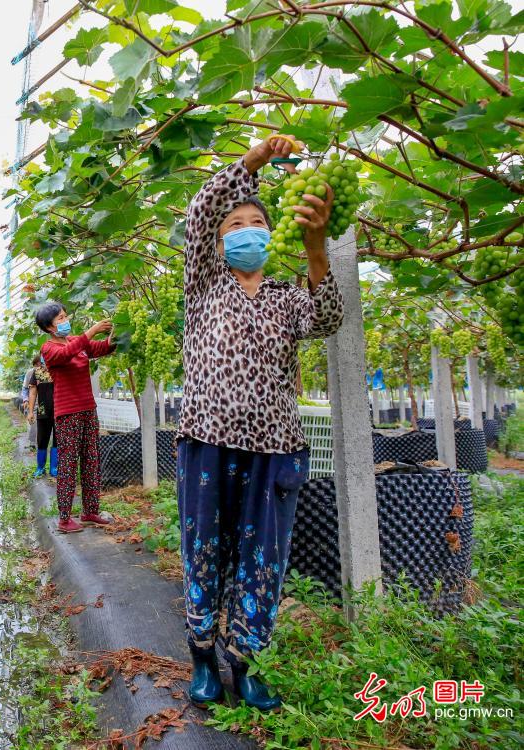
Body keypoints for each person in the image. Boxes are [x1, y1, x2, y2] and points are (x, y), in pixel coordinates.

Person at [176, 136, 344, 711]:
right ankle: (202, 658)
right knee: (204, 551)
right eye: (235, 225)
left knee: (263, 562)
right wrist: (250, 164)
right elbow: (200, 211)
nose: (246, 230)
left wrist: (317, 248)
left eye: (257, 222)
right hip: (206, 441)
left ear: (270, 237)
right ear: (218, 244)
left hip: (275, 448)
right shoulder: (201, 287)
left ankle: (245, 663)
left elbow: (327, 318)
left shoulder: (285, 297)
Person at [36, 304, 116, 533]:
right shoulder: (49, 348)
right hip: (67, 414)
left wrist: (115, 337)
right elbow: (66, 354)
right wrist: (90, 331)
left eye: (64, 315)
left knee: (91, 460)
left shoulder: (75, 341)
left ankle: (90, 511)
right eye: (60, 318)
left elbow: (99, 348)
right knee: (69, 464)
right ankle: (64, 518)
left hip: (88, 409)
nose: (65, 319)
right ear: (50, 327)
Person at [25, 354, 57, 478]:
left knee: (58, 440)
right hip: (43, 410)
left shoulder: (59, 371)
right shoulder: (37, 373)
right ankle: (40, 467)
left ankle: (54, 468)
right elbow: (32, 393)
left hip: (60, 410)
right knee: (42, 439)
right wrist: (30, 411)